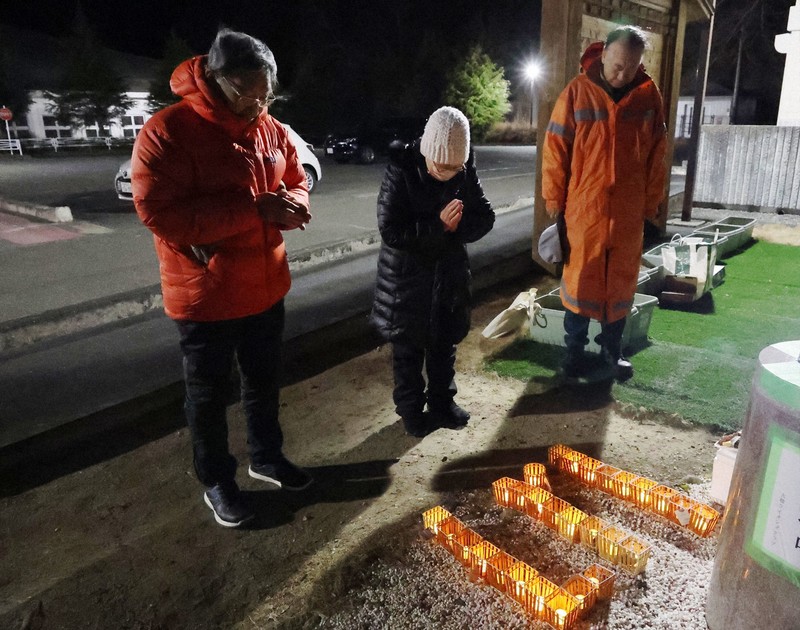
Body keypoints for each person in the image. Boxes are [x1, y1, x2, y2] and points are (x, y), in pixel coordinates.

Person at [131, 28, 313, 528]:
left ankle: (267, 457)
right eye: (247, 92)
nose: (258, 104)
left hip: (265, 283)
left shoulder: (270, 128)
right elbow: (157, 211)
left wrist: (291, 207)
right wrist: (255, 211)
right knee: (209, 396)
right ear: (216, 80)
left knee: (263, 381)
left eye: (266, 93)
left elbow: (297, 181)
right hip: (205, 294)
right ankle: (217, 480)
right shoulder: (168, 131)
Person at [542, 25, 667, 381]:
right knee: (581, 282)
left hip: (627, 212)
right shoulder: (577, 92)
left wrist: (651, 203)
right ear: (603, 54)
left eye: (631, 66)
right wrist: (554, 195)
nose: (622, 72)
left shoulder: (648, 95)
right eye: (617, 64)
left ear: (640, 64)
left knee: (620, 284)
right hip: (585, 210)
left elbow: (658, 154)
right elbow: (555, 148)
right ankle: (573, 353)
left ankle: (613, 352)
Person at [370, 106, 495, 437]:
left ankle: (443, 403)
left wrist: (457, 228)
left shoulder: (463, 170)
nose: (449, 173)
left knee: (443, 345)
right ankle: (411, 411)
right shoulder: (402, 169)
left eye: (456, 166)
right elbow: (390, 230)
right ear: (427, 152)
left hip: (448, 277)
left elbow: (485, 217)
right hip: (406, 280)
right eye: (442, 166)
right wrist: (438, 227)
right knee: (408, 352)